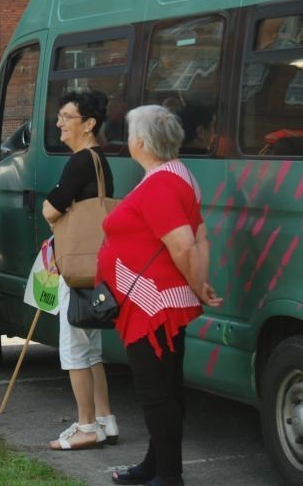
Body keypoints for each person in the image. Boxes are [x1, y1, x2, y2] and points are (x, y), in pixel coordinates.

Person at [101, 105, 222, 486]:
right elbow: (199, 237)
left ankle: (169, 475)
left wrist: (196, 282)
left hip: (153, 305)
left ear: (139, 142)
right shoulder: (176, 175)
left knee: (156, 393)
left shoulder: (160, 184)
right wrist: (198, 284)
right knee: (166, 390)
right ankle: (157, 465)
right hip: (163, 301)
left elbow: (185, 245)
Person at [42, 90, 119, 450]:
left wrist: (53, 204)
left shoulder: (79, 161)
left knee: (73, 349)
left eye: (67, 117)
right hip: (97, 265)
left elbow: (50, 210)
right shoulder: (100, 161)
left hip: (76, 266)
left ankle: (86, 426)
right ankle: (105, 418)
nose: (59, 123)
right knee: (91, 349)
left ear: (89, 124)